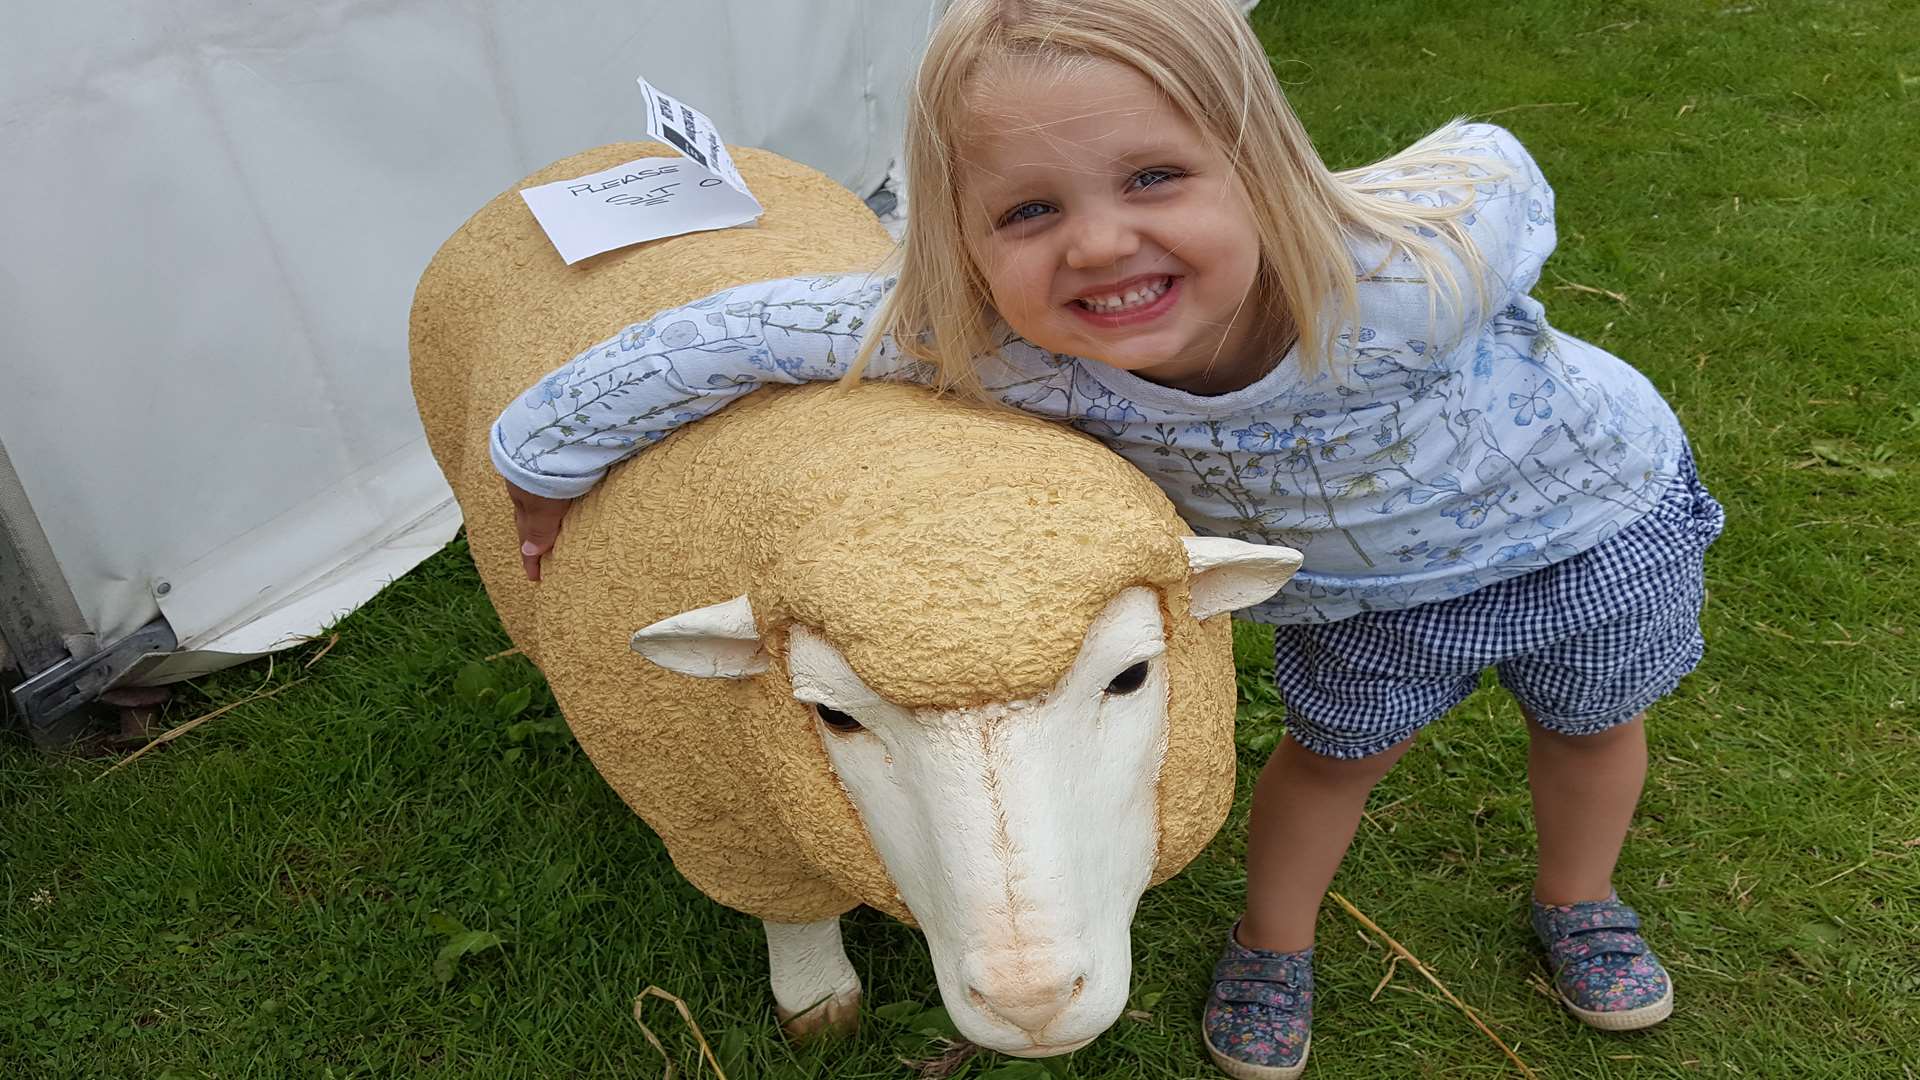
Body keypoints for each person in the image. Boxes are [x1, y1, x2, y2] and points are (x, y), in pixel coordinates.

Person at [491, 0, 1721, 1075]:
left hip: (1599, 527)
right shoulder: (1004, 352)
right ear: (958, 246)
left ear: (1262, 169)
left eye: (1153, 178)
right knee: (1333, 757)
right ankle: (1273, 944)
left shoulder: (1407, 277)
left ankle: (1582, 899)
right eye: (1028, 209)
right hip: (1360, 601)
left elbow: (1493, 166)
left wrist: (1403, 214)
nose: (1096, 242)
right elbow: (741, 332)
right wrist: (539, 458)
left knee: (1594, 725)